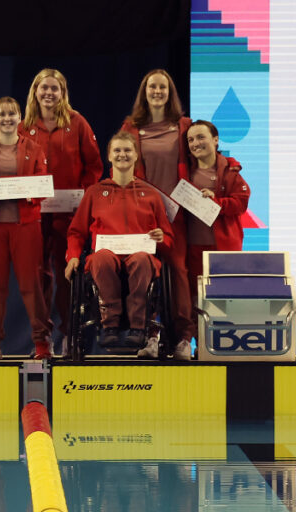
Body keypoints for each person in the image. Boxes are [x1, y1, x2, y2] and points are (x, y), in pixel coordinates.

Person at [65, 131, 174, 350]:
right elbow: (76, 232)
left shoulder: (151, 195)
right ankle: (109, 326)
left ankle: (138, 327)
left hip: (141, 259)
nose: (122, 154)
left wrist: (162, 238)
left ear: (136, 156)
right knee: (100, 259)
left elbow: (168, 238)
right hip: (106, 259)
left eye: (127, 150)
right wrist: (73, 257)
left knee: (143, 260)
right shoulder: (95, 192)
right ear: (109, 156)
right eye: (117, 150)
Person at [22, 68, 102, 350]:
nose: (48, 93)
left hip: (69, 215)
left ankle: (72, 335)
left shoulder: (77, 122)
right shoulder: (24, 126)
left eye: (54, 88)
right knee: (37, 275)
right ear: (35, 91)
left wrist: (83, 197)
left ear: (63, 93)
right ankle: (42, 338)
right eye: (44, 88)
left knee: (68, 274)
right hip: (33, 215)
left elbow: (94, 166)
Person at [118, 69, 195, 359]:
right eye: (152, 87)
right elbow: (120, 166)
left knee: (178, 275)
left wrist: (232, 167)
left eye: (163, 87)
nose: (157, 91)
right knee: (146, 274)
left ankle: (184, 339)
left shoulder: (184, 126)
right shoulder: (130, 127)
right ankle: (150, 336)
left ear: (170, 92)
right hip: (143, 216)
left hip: (176, 216)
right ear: (144, 91)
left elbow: (207, 153)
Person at [0, 97, 52, 360]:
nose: (7, 119)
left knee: (32, 285)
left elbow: (41, 179)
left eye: (12, 114)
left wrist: (32, 194)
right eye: (2, 114)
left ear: (20, 119)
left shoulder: (35, 148)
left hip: (26, 225)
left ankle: (41, 341)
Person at [182, 120, 250, 329]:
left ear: (215, 139)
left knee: (225, 298)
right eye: (191, 139)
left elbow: (241, 203)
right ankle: (199, 345)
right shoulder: (185, 172)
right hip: (192, 248)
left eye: (201, 137)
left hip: (223, 248)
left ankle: (227, 342)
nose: (195, 143)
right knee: (195, 299)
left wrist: (217, 202)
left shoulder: (230, 170)